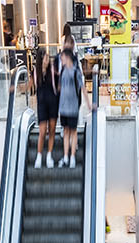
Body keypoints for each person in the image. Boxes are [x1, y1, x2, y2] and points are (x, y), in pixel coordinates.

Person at [56, 31, 86, 168]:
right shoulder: (62, 67)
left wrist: (88, 103)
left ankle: (71, 156)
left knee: (71, 131)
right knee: (67, 131)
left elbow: (82, 86)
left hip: (72, 104)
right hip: (64, 106)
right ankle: (67, 157)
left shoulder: (75, 68)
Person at [32, 45, 59, 168]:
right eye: (46, 58)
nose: (48, 61)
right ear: (41, 59)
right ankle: (39, 156)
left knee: (52, 130)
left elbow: (59, 85)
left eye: (48, 58)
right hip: (42, 104)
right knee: (42, 131)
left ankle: (49, 155)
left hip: (53, 103)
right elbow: (30, 86)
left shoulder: (52, 71)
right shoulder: (35, 72)